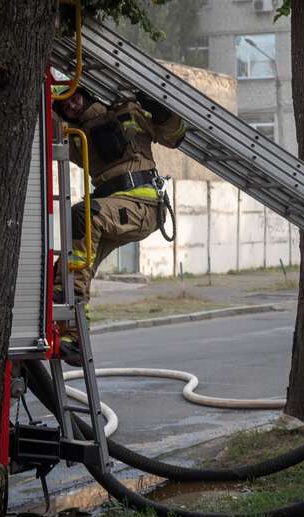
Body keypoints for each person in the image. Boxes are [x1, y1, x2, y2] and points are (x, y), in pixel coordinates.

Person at [52, 86, 186, 361]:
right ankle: (73, 338)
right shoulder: (76, 137)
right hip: (111, 210)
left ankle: (73, 325)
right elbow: (48, 124)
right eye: (66, 106)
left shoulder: (126, 113)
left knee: (83, 215)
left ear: (86, 92)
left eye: (75, 98)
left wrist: (160, 110)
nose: (73, 106)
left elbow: (174, 136)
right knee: (65, 267)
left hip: (143, 207)